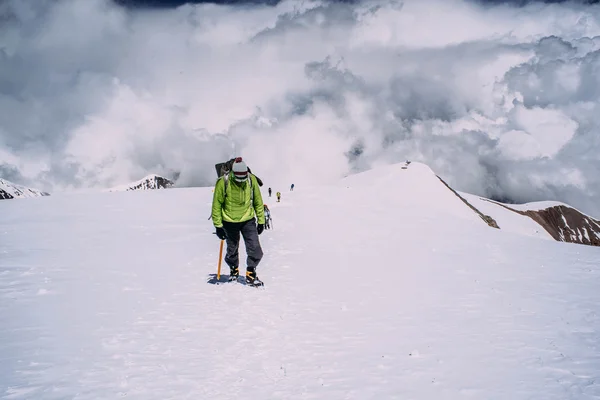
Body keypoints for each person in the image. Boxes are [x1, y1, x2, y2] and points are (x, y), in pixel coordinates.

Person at [211, 157, 265, 286]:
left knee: (255, 249)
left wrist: (261, 220)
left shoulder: (251, 180)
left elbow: (258, 200)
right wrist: (218, 226)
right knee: (232, 249)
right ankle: (233, 270)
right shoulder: (223, 182)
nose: (241, 181)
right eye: (238, 179)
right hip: (229, 221)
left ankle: (251, 272)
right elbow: (216, 205)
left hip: (248, 220)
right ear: (233, 173)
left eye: (243, 178)